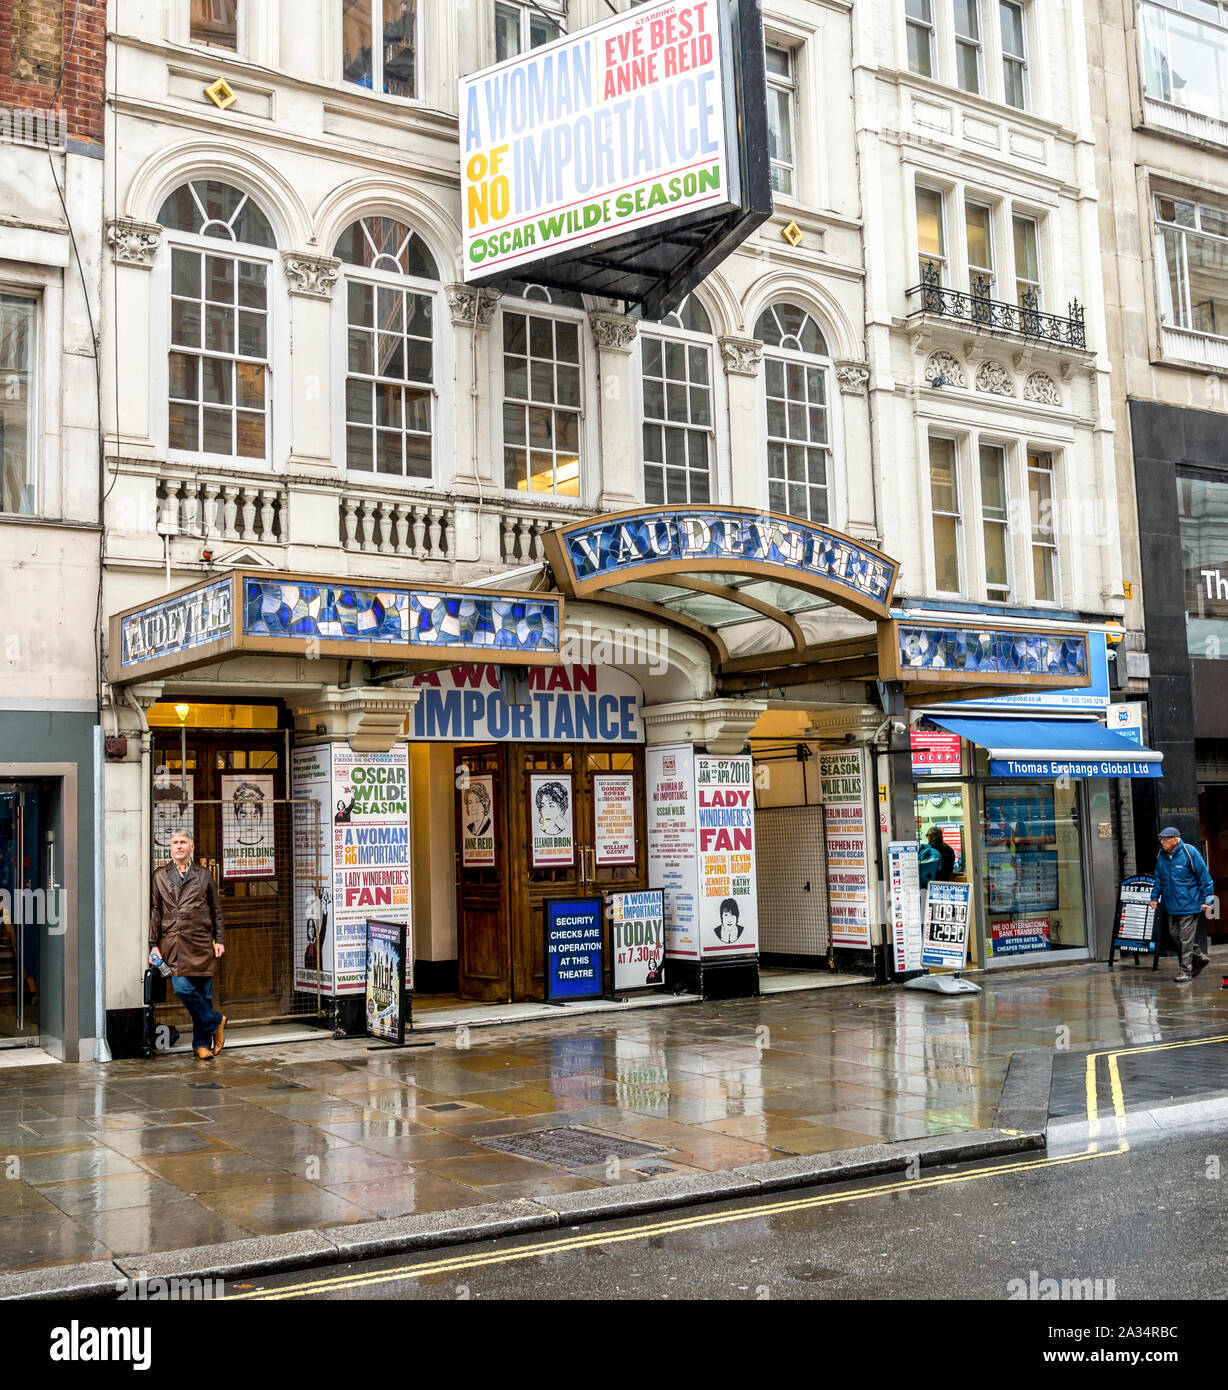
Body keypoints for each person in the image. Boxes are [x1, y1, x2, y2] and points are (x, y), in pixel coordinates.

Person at [149, 831, 227, 1058]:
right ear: (170, 848)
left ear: (191, 847)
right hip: (172, 943)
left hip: (201, 941)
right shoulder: (160, 876)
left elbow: (216, 910)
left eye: (183, 842)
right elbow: (155, 910)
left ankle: (201, 1045)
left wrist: (219, 939)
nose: (179, 846)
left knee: (204, 994)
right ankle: (216, 1021)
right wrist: (153, 943)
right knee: (181, 987)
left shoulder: (204, 875)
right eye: (175, 843)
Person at [1150, 826, 1215, 983]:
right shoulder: (1162, 855)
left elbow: (1205, 879)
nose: (1162, 842)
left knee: (1185, 938)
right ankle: (1199, 957)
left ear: (1175, 839)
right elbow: (1158, 878)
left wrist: (1207, 901)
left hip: (1190, 903)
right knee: (1174, 934)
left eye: (1165, 839)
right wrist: (1154, 897)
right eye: (1161, 839)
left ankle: (1185, 969)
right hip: (1172, 904)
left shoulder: (1189, 852)